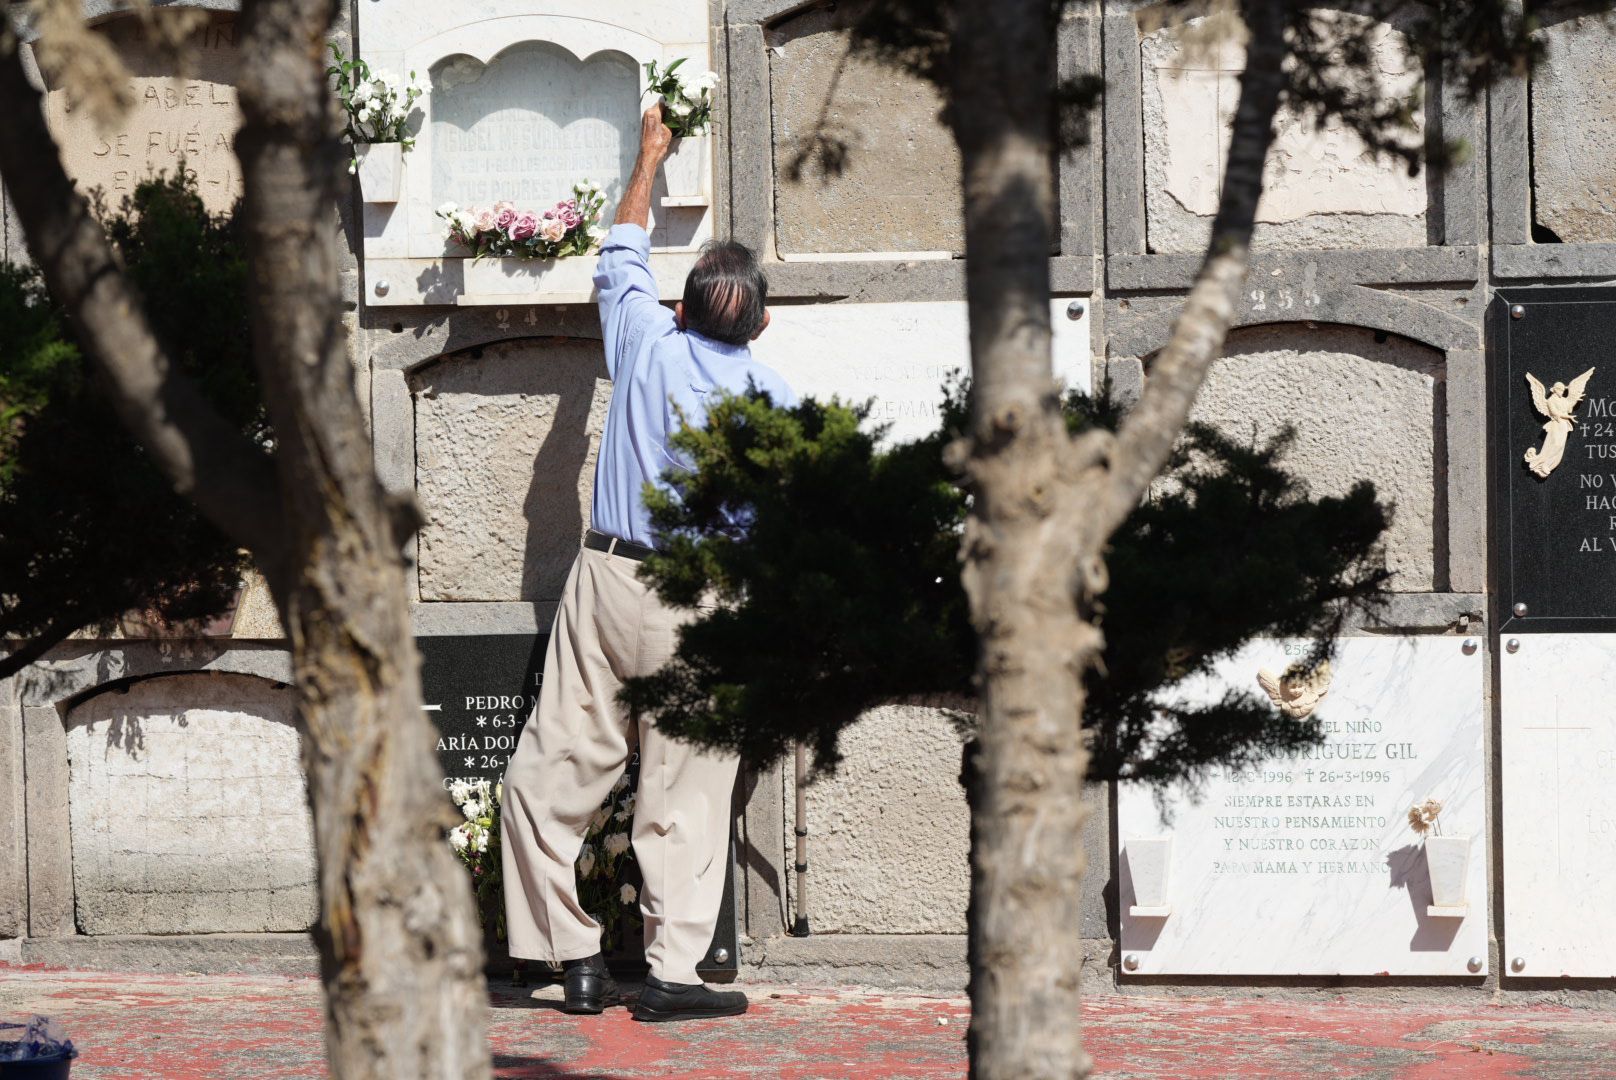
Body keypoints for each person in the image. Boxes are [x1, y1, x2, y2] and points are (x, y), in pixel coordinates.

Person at [499, 104, 795, 1022]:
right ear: (759, 326)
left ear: (682, 307)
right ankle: (668, 974)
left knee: (546, 774)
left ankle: (571, 955)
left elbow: (621, 247)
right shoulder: (775, 399)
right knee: (687, 795)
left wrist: (649, 158)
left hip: (608, 579)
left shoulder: (644, 345)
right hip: (703, 598)